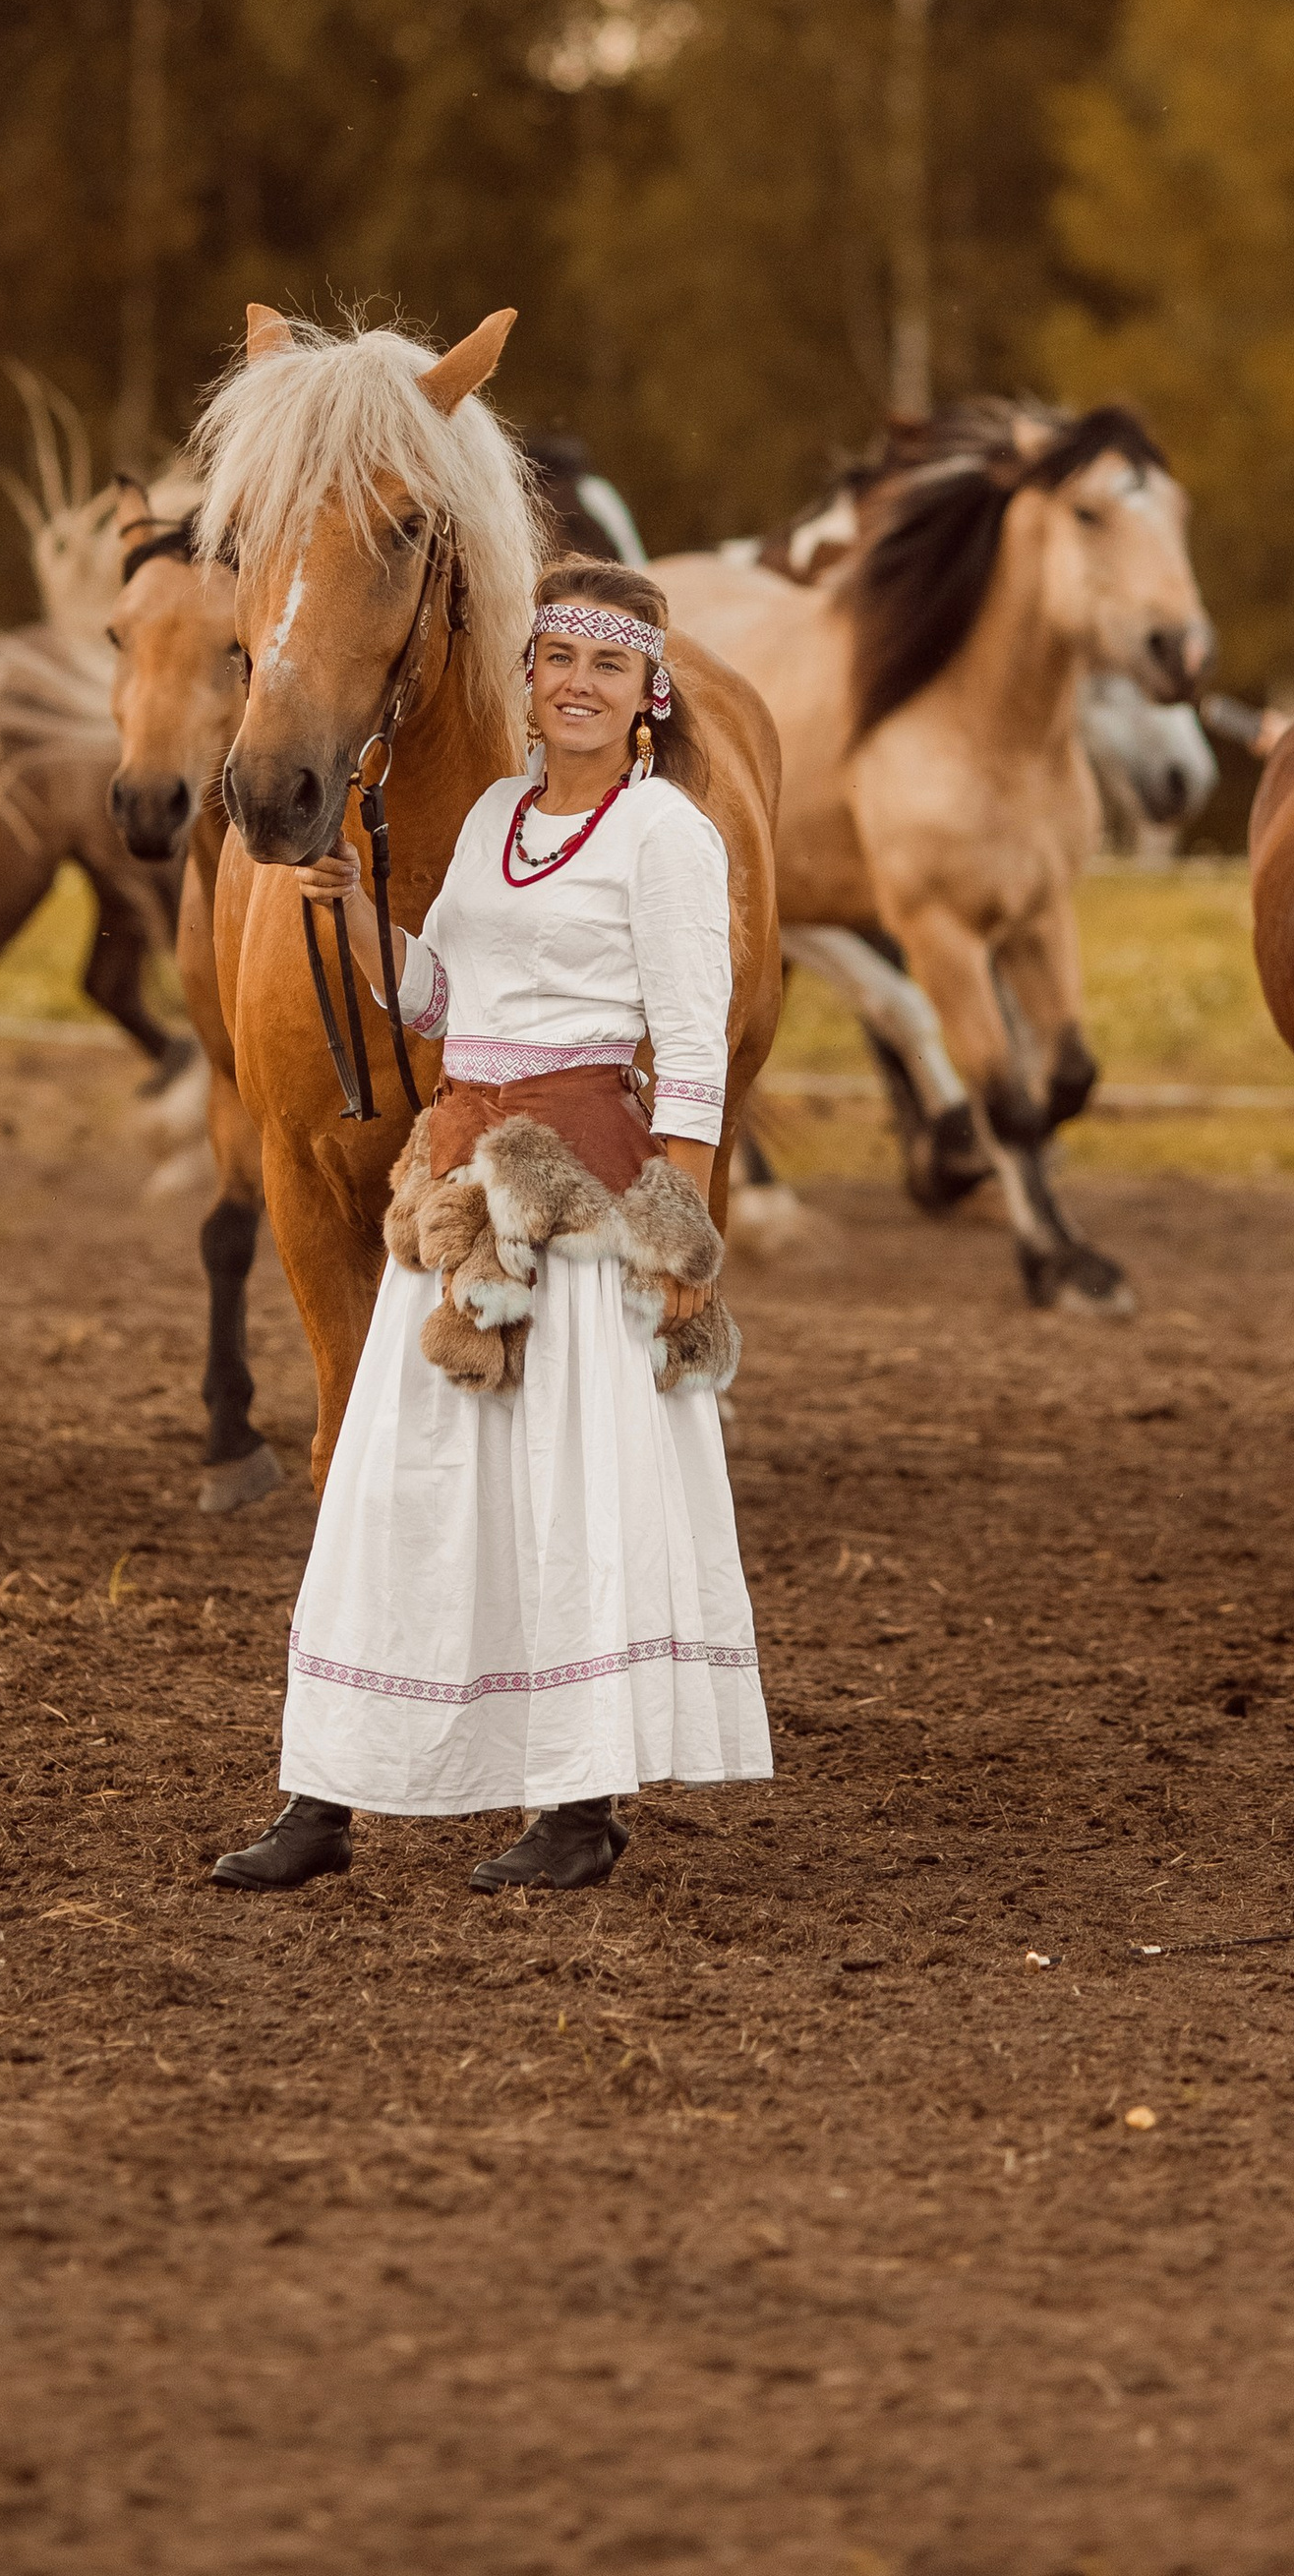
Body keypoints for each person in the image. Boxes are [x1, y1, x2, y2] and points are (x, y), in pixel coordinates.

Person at [211, 559, 772, 1894]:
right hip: (459, 1203)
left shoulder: (669, 838)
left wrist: (681, 1239)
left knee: (567, 1501)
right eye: (556, 659)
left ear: (650, 694)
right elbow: (435, 996)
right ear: (526, 680)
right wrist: (346, 903)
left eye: (607, 666)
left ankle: (576, 1806)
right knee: (394, 1492)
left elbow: (695, 1047)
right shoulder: (490, 823)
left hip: (583, 1216)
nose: (575, 684)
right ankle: (327, 1794)